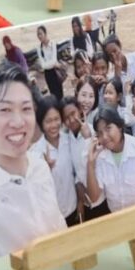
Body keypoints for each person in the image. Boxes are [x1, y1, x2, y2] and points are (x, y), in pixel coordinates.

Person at [0, 63, 67, 261]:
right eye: (5, 109)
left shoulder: (40, 168)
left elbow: (58, 226)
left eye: (26, 108)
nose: (18, 122)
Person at [85, 107, 135, 213]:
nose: (104, 137)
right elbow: (94, 197)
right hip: (116, 216)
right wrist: (90, 163)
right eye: (100, 133)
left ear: (119, 126)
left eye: (108, 128)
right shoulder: (100, 156)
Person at [30, 96, 81, 225]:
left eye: (56, 119)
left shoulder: (69, 140)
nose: (53, 125)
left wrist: (80, 202)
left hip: (73, 208)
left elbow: (77, 173)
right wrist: (45, 170)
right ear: (41, 123)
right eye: (48, 121)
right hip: (53, 217)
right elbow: (34, 190)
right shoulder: (36, 152)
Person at [35, 25, 64, 100]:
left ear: (45, 33)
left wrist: (49, 64)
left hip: (55, 72)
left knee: (60, 94)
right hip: (48, 74)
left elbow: (54, 60)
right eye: (38, 34)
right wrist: (52, 64)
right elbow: (43, 65)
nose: (39, 36)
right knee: (53, 94)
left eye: (40, 34)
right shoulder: (39, 48)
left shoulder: (52, 44)